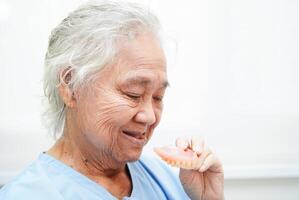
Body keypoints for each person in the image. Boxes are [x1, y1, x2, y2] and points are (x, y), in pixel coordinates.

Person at [0, 0, 224, 199]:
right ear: (70, 86)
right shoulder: (27, 194)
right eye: (133, 94)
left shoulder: (170, 181)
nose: (150, 116)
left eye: (158, 97)